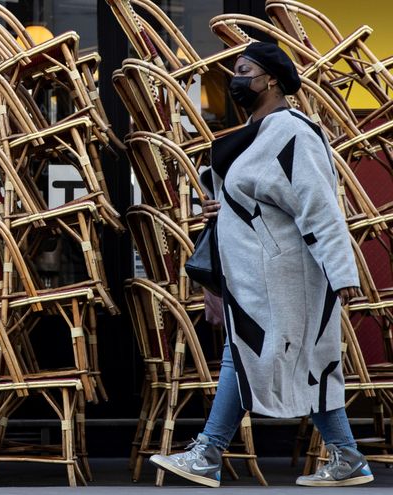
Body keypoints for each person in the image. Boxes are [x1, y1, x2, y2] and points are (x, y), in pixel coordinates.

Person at [149, 42, 373, 488]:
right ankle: (347, 457)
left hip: (283, 277)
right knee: (294, 358)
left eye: (243, 69)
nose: (236, 78)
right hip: (256, 276)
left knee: (249, 354)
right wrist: (224, 209)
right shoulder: (257, 132)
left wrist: (342, 272)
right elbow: (264, 198)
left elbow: (319, 205)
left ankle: (208, 452)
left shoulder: (293, 132)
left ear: (270, 78)